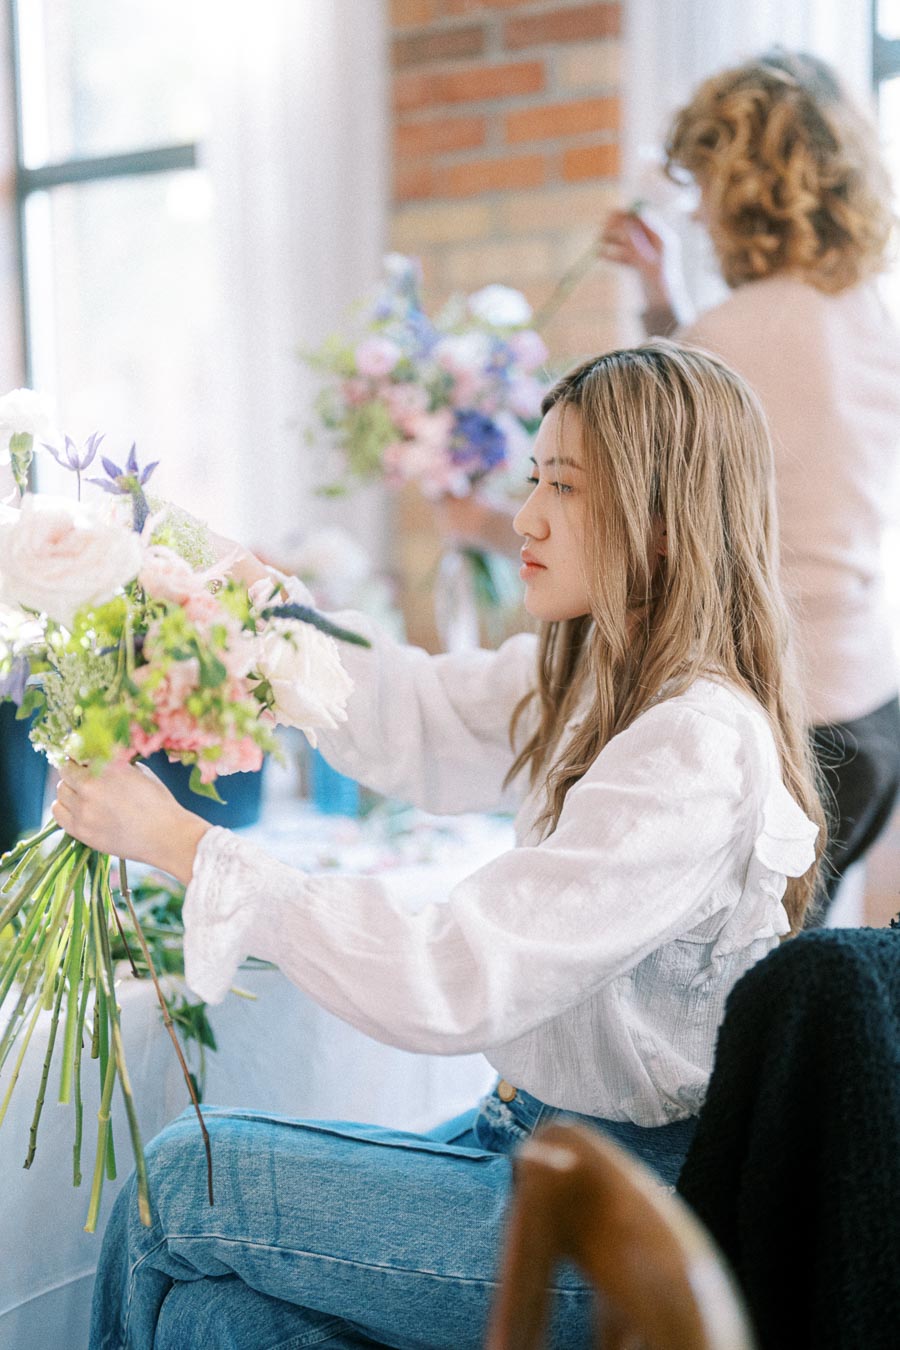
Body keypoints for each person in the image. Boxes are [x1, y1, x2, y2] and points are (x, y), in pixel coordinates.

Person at [56, 343, 823, 1350]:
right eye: (533, 479)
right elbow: (408, 711)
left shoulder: (693, 744)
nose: (526, 517)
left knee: (178, 1186)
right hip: (520, 1138)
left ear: (668, 523)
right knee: (213, 1319)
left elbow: (454, 976)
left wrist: (189, 845)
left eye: (565, 487)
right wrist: (241, 589)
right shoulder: (601, 676)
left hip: (608, 1219)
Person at [600, 50, 900, 917]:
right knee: (797, 970)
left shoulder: (720, 341)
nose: (695, 211)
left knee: (738, 1004)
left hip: (786, 728)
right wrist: (670, 302)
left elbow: (704, 411)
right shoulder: (872, 318)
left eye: (702, 187)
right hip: (874, 710)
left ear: (741, 189)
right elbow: (774, 414)